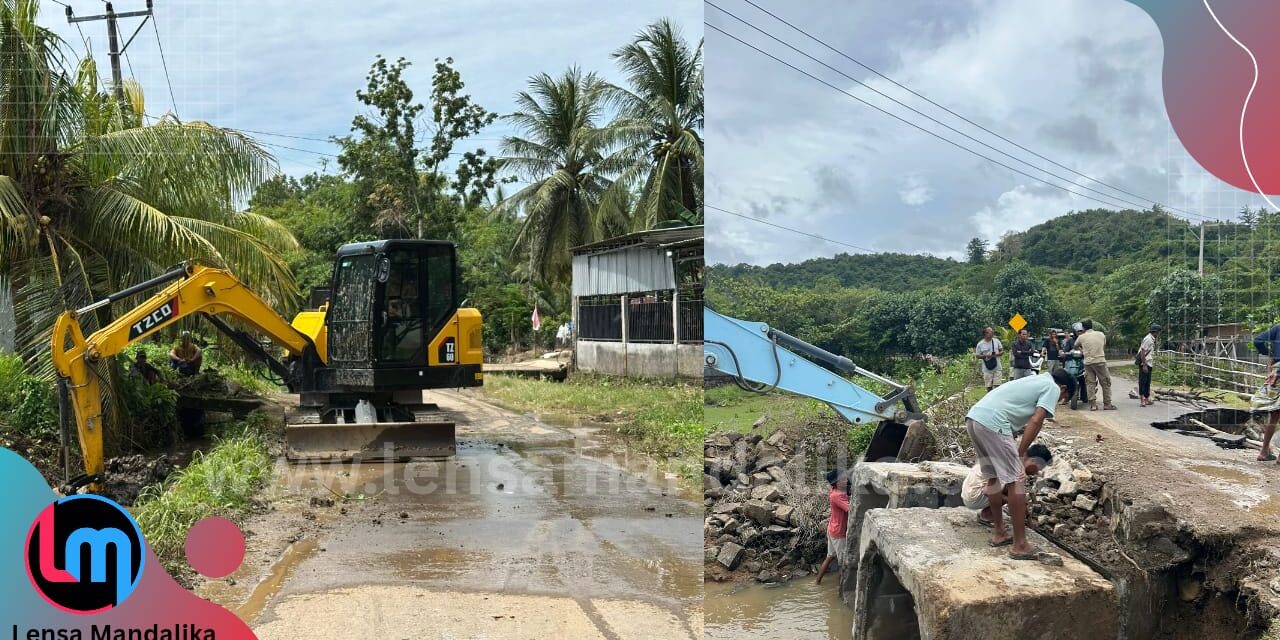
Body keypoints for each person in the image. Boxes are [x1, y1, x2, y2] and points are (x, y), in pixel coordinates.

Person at [965, 368, 1075, 560]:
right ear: (1063, 388)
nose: (1058, 401)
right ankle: (1020, 545)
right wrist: (1020, 453)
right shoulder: (1052, 387)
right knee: (1016, 481)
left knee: (993, 477)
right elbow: (1037, 419)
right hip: (993, 423)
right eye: (1062, 398)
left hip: (975, 418)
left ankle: (1000, 532)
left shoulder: (1034, 380)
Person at [963, 443, 1053, 528]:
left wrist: (1028, 519)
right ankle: (986, 516)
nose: (1036, 473)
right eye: (1038, 469)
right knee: (1013, 493)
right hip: (973, 496)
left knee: (1016, 493)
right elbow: (988, 491)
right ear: (1034, 461)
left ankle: (987, 514)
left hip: (971, 492)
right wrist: (1012, 501)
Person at [815, 469, 850, 585]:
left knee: (830, 557)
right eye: (844, 479)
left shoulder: (835, 491)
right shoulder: (838, 495)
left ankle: (817, 582)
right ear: (837, 482)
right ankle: (841, 589)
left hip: (832, 528)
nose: (846, 480)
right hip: (839, 532)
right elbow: (850, 509)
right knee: (843, 563)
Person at [1253, 323, 1280, 463]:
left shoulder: (1277, 327)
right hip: (1278, 372)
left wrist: (1268, 352)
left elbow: (1257, 340)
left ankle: (1264, 452)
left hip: (1275, 371)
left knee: (1274, 416)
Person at [1075, 319, 1114, 410]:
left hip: (1088, 362)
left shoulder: (1081, 337)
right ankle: (1107, 404)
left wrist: (1083, 351)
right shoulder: (1101, 334)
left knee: (1090, 384)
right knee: (1105, 383)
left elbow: (1075, 346)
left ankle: (1093, 405)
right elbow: (1103, 346)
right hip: (1100, 361)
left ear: (1083, 327)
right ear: (1092, 326)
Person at [1137, 324, 1161, 407]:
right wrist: (1144, 365)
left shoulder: (1151, 339)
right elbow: (1143, 352)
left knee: (1147, 382)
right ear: (1155, 332)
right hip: (1145, 363)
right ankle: (1142, 400)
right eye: (1158, 332)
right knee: (1142, 381)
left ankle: (1146, 399)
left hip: (1149, 363)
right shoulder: (1148, 339)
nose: (1158, 334)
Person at [975, 326, 1004, 391]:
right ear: (985, 333)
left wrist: (995, 355)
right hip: (987, 369)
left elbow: (1002, 351)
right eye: (990, 331)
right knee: (989, 387)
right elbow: (977, 355)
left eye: (992, 331)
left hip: (997, 367)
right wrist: (985, 356)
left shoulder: (996, 341)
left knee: (998, 386)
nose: (992, 333)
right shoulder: (980, 344)